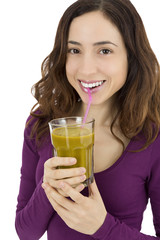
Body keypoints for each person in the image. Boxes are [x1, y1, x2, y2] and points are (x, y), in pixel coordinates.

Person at [15, 0, 160, 239]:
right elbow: (25, 232)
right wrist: (48, 190)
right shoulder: (41, 124)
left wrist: (102, 226)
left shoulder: (151, 138)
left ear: (131, 56)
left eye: (105, 50)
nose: (87, 69)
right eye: (75, 50)